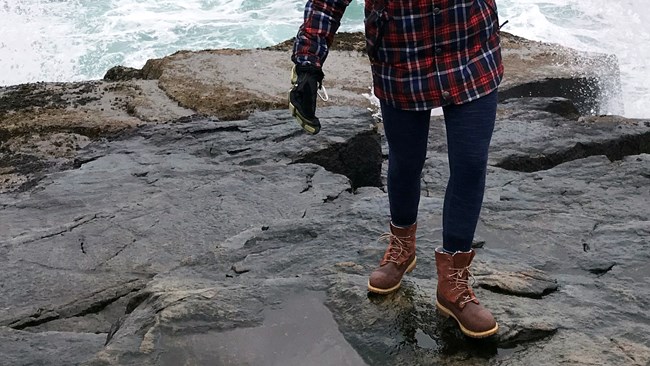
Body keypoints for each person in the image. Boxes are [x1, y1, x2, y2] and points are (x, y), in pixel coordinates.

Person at [289, 0, 503, 338]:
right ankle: (402, 247)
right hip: (402, 55)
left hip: (470, 48)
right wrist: (308, 64)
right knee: (405, 161)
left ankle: (453, 283)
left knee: (471, 165)